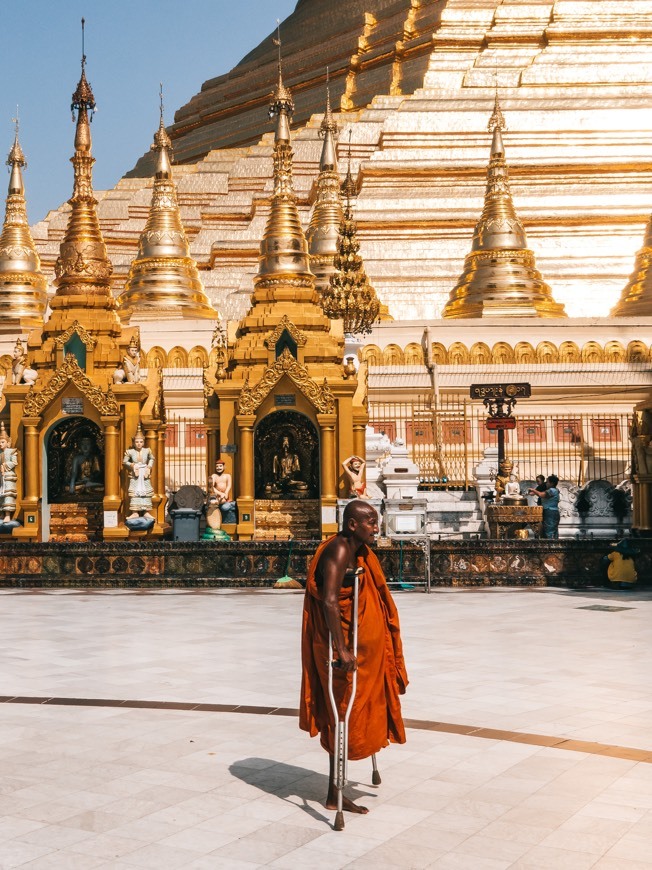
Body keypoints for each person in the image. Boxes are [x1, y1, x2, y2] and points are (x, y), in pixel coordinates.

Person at [300, 500, 408, 814]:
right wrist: (342, 648)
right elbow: (331, 601)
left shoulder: (358, 551)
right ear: (352, 525)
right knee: (342, 714)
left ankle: (339, 785)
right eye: (371, 523)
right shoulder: (338, 551)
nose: (376, 528)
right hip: (343, 648)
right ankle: (335, 792)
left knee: (355, 711)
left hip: (360, 647)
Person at [123, 426, 155, 520]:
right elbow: (125, 462)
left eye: (141, 442)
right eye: (137, 442)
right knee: (135, 493)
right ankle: (135, 512)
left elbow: (152, 458)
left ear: (144, 442)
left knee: (146, 492)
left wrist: (149, 467)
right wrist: (132, 465)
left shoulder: (147, 450)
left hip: (145, 473)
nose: (139, 444)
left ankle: (146, 511)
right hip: (135, 474)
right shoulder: (130, 452)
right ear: (134, 442)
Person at [208, 459, 236, 524]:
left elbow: (229, 486)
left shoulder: (227, 476)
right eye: (217, 466)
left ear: (224, 467)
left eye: (220, 466)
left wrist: (225, 493)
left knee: (224, 507)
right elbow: (211, 487)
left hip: (225, 497)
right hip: (217, 496)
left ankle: (232, 504)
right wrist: (220, 493)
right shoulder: (214, 476)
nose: (218, 468)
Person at [0, 422, 18, 523]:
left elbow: (14, 462)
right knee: (1, 495)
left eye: (2, 442)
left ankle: (7, 514)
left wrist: (4, 466)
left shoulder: (11, 452)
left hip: (8, 476)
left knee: (8, 495)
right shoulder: (0, 453)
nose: (0, 444)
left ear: (8, 442)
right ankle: (2, 513)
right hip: (1, 476)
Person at [539, 474, 561, 538]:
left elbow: (541, 495)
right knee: (553, 531)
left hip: (550, 513)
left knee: (549, 532)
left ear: (552, 483)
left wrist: (533, 490)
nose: (546, 483)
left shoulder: (552, 490)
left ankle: (550, 546)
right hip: (552, 512)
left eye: (547, 482)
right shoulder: (555, 490)